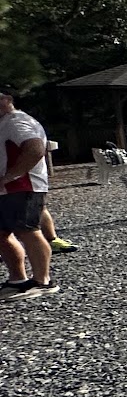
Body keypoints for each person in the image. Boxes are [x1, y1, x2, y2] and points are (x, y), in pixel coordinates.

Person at [0, 83, 58, 299]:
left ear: (7, 99)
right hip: (7, 188)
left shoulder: (18, 121)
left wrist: (10, 176)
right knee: (2, 234)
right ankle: (18, 280)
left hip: (23, 185)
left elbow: (35, 148)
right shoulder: (5, 123)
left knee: (27, 230)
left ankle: (43, 281)